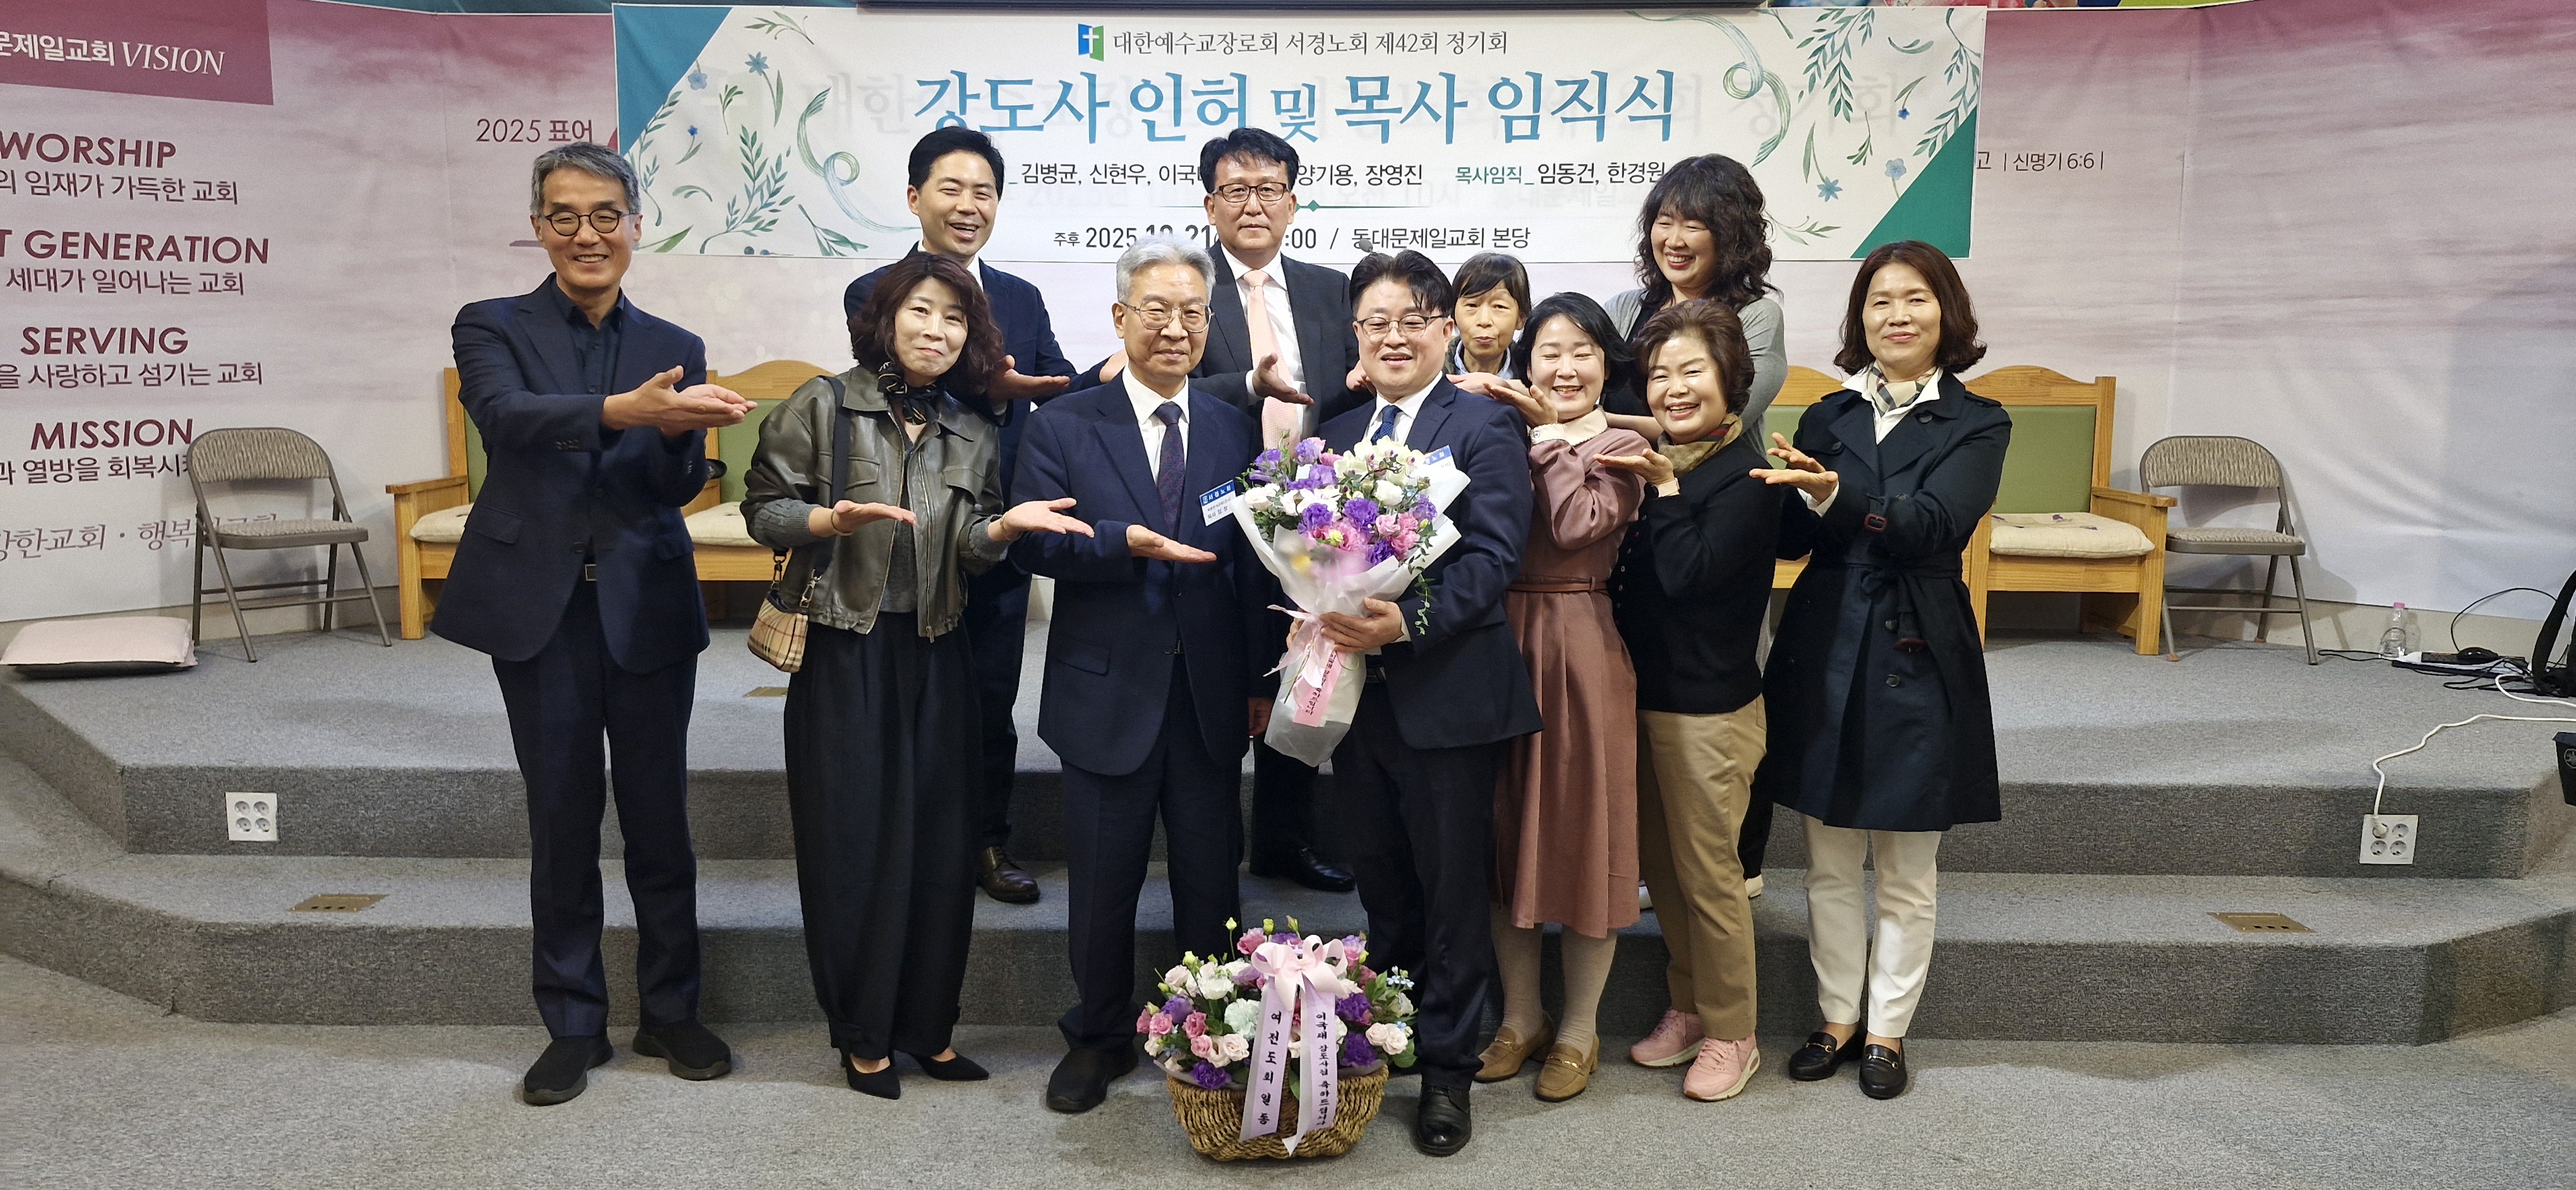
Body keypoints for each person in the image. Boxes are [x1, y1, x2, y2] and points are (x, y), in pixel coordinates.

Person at [440, 144, 750, 1106]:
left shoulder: (675, 340)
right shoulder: (490, 324)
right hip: (541, 610)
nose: (588, 234)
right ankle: (573, 1024)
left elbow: (674, 487)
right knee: (562, 818)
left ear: (636, 225)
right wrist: (625, 411)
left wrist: (681, 438)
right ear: (539, 226)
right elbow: (506, 419)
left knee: (661, 820)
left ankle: (671, 1010)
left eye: (606, 215)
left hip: (645, 601)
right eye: (566, 216)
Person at [746, 252, 1092, 1100]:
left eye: (955, 319)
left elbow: (967, 547)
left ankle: (930, 1030)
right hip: (845, 649)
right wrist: (828, 520)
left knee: (941, 847)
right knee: (854, 847)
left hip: (939, 651)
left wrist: (1001, 531)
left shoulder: (973, 430)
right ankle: (864, 1034)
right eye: (922, 312)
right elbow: (763, 509)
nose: (937, 331)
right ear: (885, 320)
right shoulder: (824, 404)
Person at [1011, 238, 1275, 1114]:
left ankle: (1215, 1035)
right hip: (1104, 692)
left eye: (1192, 312)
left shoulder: (1232, 427)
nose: (1174, 327)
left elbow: (1250, 564)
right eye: (1156, 310)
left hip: (1208, 694)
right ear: (1121, 317)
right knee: (1103, 884)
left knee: (1210, 882)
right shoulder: (1062, 425)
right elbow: (1034, 545)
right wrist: (1118, 543)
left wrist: (1261, 682)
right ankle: (1097, 1036)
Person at [1751, 240, 2009, 1101]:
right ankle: (1835, 1019)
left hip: (1918, 641)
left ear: (1948, 313)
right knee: (1827, 860)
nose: (1897, 315)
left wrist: (1834, 496)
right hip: (1825, 639)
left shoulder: (1979, 421)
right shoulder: (1827, 415)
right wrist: (1762, 481)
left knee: (1905, 866)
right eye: (1879, 301)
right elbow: (1796, 541)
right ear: (1859, 318)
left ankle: (1888, 1030)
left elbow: (1933, 524)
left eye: (1915, 299)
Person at [1316, 250, 1541, 1157]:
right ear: (1356, 336)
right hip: (1353, 704)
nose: (1394, 337)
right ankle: (1391, 1036)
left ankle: (1449, 1070)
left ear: (1446, 330)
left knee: (1451, 895)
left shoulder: (1483, 427)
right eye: (1376, 323)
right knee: (1381, 883)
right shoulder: (1335, 434)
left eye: (1412, 320)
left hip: (1448, 698)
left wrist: (1404, 623)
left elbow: (1494, 559)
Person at [843, 128, 1078, 908]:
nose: (968, 205)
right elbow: (898, 385)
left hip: (995, 530)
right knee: (903, 696)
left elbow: (1054, 382)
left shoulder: (1020, 297)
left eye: (984, 192)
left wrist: (1074, 383)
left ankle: (986, 840)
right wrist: (995, 390)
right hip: (902, 535)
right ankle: (906, 843)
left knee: (988, 697)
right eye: (951, 189)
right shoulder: (873, 290)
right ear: (915, 198)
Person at [1144, 126, 1359, 894]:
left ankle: (1283, 839)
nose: (1253, 205)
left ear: (1293, 203)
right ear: (1209, 205)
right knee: (1221, 669)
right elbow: (1157, 381)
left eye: (1269, 189)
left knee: (1300, 668)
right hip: (1213, 510)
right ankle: (1207, 850)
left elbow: (1350, 393)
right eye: (1235, 190)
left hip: (1316, 520)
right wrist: (1243, 386)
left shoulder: (1332, 290)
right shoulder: (1184, 288)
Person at [1600, 300, 1782, 1102]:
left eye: (1692, 372)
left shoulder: (1747, 475)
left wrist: (1668, 490)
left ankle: (1735, 1031)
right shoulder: (1662, 460)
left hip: (1708, 712)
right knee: (1665, 874)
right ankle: (1690, 1003)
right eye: (1660, 375)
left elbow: (1688, 575)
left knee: (1710, 878)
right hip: (1643, 699)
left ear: (1730, 378)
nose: (1673, 389)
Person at [1469, 293, 1648, 1104]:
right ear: (1525, 361)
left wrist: (1546, 436)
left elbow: (1576, 526)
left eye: (1582, 352)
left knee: (1584, 838)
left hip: (1580, 646)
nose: (1565, 368)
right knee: (1504, 837)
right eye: (1549, 351)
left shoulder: (1624, 446)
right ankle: (1521, 1018)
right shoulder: (1499, 432)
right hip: (1498, 640)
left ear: (1606, 365)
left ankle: (1579, 1029)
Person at [1602, 153, 1788, 898]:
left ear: (1730, 233)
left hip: (1723, 506)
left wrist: (1591, 420)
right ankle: (1653, 854)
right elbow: (1581, 378)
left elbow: (1713, 416)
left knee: (1732, 677)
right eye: (1665, 221)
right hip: (1638, 512)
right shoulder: (1625, 309)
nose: (1674, 239)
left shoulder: (1756, 316)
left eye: (1695, 224)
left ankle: (1741, 859)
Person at [1444, 252, 1530, 384]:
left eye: (1499, 306)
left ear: (1521, 318)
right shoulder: (1428, 371)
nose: (1484, 321)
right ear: (1453, 314)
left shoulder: (1535, 376)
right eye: (1472, 305)